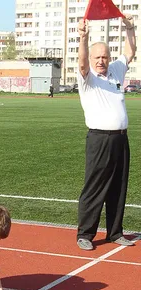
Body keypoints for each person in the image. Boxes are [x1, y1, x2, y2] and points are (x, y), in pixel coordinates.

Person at [76, 15, 136, 251]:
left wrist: (129, 26)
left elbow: (130, 51)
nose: (101, 61)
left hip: (121, 138)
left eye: (104, 57)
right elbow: (81, 63)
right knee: (94, 187)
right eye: (97, 57)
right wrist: (83, 37)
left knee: (118, 186)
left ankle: (115, 232)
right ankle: (85, 234)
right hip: (99, 139)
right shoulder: (87, 77)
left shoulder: (116, 71)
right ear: (91, 59)